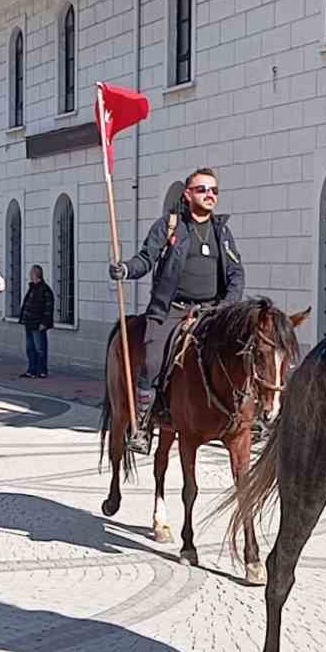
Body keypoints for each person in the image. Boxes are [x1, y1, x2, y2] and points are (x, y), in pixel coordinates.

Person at [109, 168, 245, 453]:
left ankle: (246, 418)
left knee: (242, 354)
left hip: (212, 312)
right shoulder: (169, 225)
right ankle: (143, 425)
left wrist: (228, 306)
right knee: (152, 360)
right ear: (187, 194)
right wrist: (125, 269)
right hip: (171, 309)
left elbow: (235, 273)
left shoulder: (222, 231)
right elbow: (146, 259)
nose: (209, 195)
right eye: (202, 189)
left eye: (214, 191)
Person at [18, 264, 55, 378]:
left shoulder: (44, 289)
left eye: (31, 273)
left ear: (36, 274)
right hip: (29, 323)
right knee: (30, 348)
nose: (30, 275)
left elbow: (48, 308)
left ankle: (42, 370)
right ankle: (32, 370)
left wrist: (44, 323)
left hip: (38, 324)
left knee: (40, 348)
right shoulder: (32, 288)